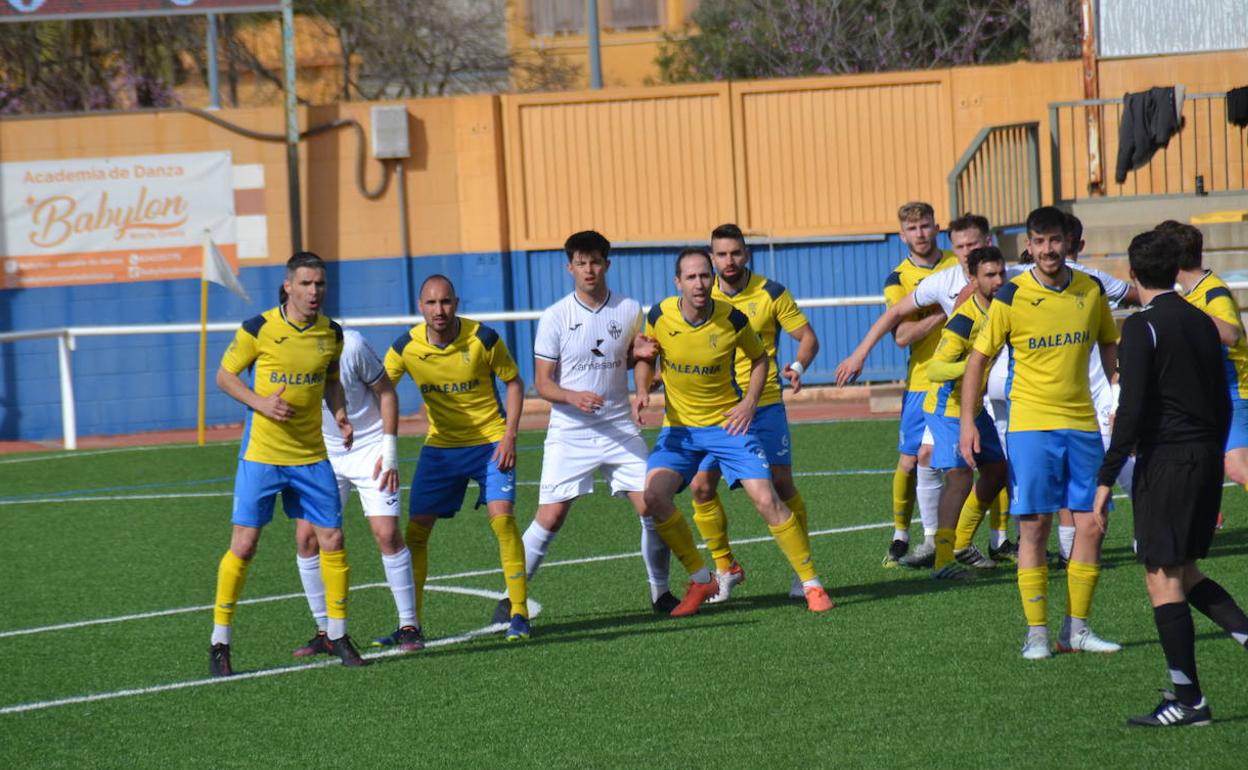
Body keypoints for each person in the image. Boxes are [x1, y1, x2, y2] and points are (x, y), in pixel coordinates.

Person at [1094, 230, 1248, 727]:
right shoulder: (1204, 321)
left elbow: (1132, 411)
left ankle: (1189, 700)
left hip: (1167, 465)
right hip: (1204, 455)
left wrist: (1105, 478)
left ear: (1133, 274)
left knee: (1162, 578)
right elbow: (1224, 396)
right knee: (1186, 572)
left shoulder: (1142, 328)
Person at [633, 247, 834, 615]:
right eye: (691, 277)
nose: (699, 283)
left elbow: (760, 359)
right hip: (679, 430)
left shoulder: (733, 319)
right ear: (678, 282)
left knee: (766, 497)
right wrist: (643, 389)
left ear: (713, 279)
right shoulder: (660, 314)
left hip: (727, 427)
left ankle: (810, 583)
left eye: (704, 276)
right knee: (654, 499)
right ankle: (701, 578)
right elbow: (645, 355)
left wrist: (749, 403)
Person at [959, 206, 1120, 660]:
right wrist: (969, 422)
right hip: (1030, 425)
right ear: (1027, 245)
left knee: (1092, 523)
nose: (1047, 250)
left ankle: (1078, 630)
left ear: (1069, 242)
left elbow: (1108, 340)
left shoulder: (1091, 290)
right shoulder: (1011, 295)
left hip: (1082, 423)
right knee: (1035, 526)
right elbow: (978, 359)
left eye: (1055, 240)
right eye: (1039, 241)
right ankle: (1036, 634)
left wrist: (1112, 392)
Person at [491, 230, 675, 621]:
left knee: (653, 506)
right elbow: (543, 383)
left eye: (595, 261)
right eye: (581, 262)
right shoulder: (555, 317)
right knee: (551, 516)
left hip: (618, 427)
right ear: (569, 267)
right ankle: (511, 597)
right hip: (570, 431)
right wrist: (573, 397)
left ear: (607, 265)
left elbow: (632, 357)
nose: (589, 269)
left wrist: (640, 371)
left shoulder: (628, 309)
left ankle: (661, 593)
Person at [210, 251, 365, 677]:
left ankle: (337, 633)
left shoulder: (331, 334)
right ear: (288, 286)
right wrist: (260, 403)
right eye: (306, 284)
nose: (314, 292)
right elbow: (224, 376)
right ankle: (220, 642)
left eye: (320, 284)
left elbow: (331, 380)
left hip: (312, 456)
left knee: (332, 539)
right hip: (262, 455)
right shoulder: (258, 328)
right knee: (244, 545)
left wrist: (340, 414)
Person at [833, 215, 1012, 564]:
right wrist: (860, 353)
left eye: (972, 245)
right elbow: (902, 332)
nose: (965, 253)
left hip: (981, 394)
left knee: (998, 467)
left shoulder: (1007, 280)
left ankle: (985, 541)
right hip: (945, 395)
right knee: (941, 466)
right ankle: (935, 547)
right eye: (960, 246)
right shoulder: (948, 295)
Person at [383, 275, 532, 641]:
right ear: (420, 307)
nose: (439, 310)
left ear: (456, 303)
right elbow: (378, 387)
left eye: (445, 302)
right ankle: (410, 624)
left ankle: (520, 614)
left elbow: (514, 382)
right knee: (415, 532)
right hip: (441, 447)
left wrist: (510, 434)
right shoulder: (405, 348)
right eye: (432, 303)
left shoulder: (483, 339)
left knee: (503, 521)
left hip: (490, 443)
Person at [686, 223, 820, 603]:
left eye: (736, 253)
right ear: (712, 258)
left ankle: (802, 571)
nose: (729, 261)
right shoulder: (699, 294)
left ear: (746, 254)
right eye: (721, 254)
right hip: (717, 410)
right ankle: (726, 568)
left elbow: (808, 337)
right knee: (700, 487)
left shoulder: (771, 293)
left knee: (781, 485)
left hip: (764, 406)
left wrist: (798, 366)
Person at [289, 325, 422, 656]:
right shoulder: (284, 351)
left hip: (370, 448)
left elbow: (386, 392)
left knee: (387, 534)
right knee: (306, 538)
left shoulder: (351, 344)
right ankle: (325, 631)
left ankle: (409, 625)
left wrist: (389, 452)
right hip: (323, 454)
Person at [922, 246, 1009, 578]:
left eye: (1001, 272)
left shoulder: (1003, 310)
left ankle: (961, 544)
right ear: (972, 279)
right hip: (947, 408)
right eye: (990, 275)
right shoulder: (963, 320)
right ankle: (943, 561)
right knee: (958, 476)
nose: (999, 280)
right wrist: (971, 365)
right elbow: (935, 370)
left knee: (997, 470)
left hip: (973, 406)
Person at [880, 202, 956, 568]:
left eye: (925, 226)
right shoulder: (898, 279)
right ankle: (901, 533)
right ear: (902, 235)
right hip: (923, 380)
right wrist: (946, 309)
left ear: (936, 227)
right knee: (910, 462)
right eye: (912, 229)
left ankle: (998, 537)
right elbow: (902, 335)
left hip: (966, 375)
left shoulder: (958, 265)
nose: (920, 234)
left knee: (984, 460)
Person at [1164, 220, 1248, 504]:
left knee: (1238, 468)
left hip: (1236, 389)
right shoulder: (1194, 293)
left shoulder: (1213, 292)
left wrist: (1186, 315)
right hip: (1214, 393)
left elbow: (1233, 334)